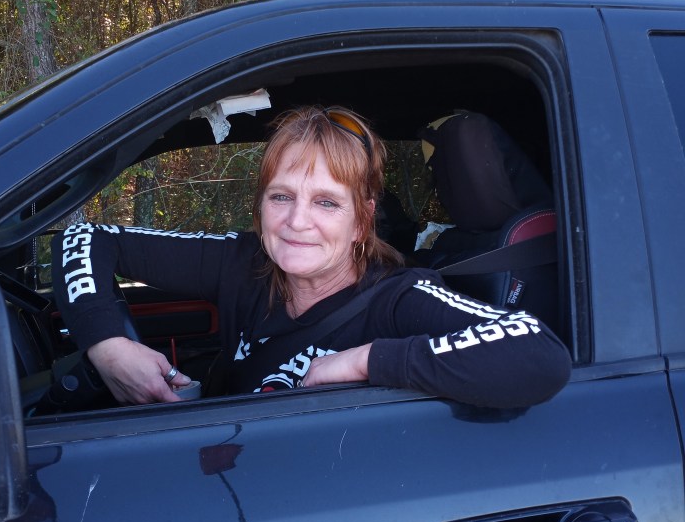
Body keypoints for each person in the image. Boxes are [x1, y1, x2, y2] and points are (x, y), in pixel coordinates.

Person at [50, 106, 572, 409]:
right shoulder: (244, 262)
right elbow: (87, 238)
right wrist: (108, 345)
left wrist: (365, 361)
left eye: (326, 202)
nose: (297, 221)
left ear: (361, 221)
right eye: (281, 196)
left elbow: (538, 352)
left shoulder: (397, 298)